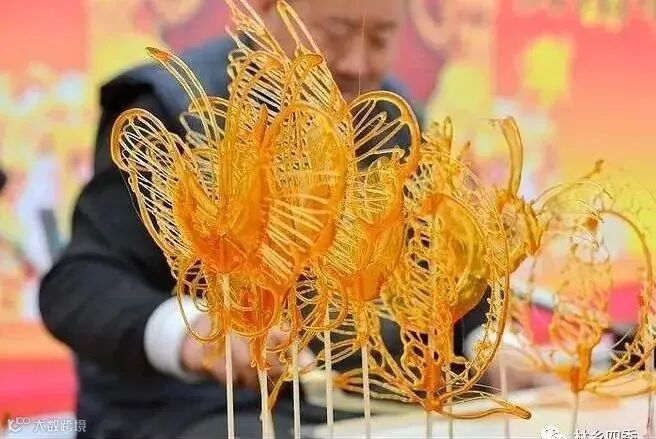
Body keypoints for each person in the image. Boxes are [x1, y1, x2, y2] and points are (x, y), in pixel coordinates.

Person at [39, 0, 487, 437]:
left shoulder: (390, 117)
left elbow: (436, 268)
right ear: (265, 8)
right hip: (188, 410)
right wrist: (196, 333)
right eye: (335, 34)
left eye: (381, 39)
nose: (358, 63)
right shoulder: (175, 108)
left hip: (351, 405)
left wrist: (485, 342)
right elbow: (81, 282)